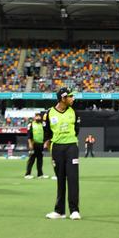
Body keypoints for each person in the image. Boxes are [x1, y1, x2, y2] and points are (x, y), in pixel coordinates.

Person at [43, 87, 82, 220]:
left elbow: (77, 130)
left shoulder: (74, 112)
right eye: (70, 96)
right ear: (62, 98)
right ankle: (59, 211)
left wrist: (68, 140)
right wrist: (48, 142)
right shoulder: (49, 113)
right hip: (57, 148)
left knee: (73, 179)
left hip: (71, 147)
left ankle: (74, 210)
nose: (73, 98)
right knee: (60, 179)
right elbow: (47, 131)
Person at [25, 112, 48, 179]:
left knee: (40, 159)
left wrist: (45, 143)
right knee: (31, 159)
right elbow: (29, 135)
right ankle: (27, 174)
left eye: (39, 116)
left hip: (40, 144)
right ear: (34, 117)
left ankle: (40, 174)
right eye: (37, 116)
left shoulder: (42, 125)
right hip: (33, 144)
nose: (38, 117)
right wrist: (30, 143)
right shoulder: (31, 124)